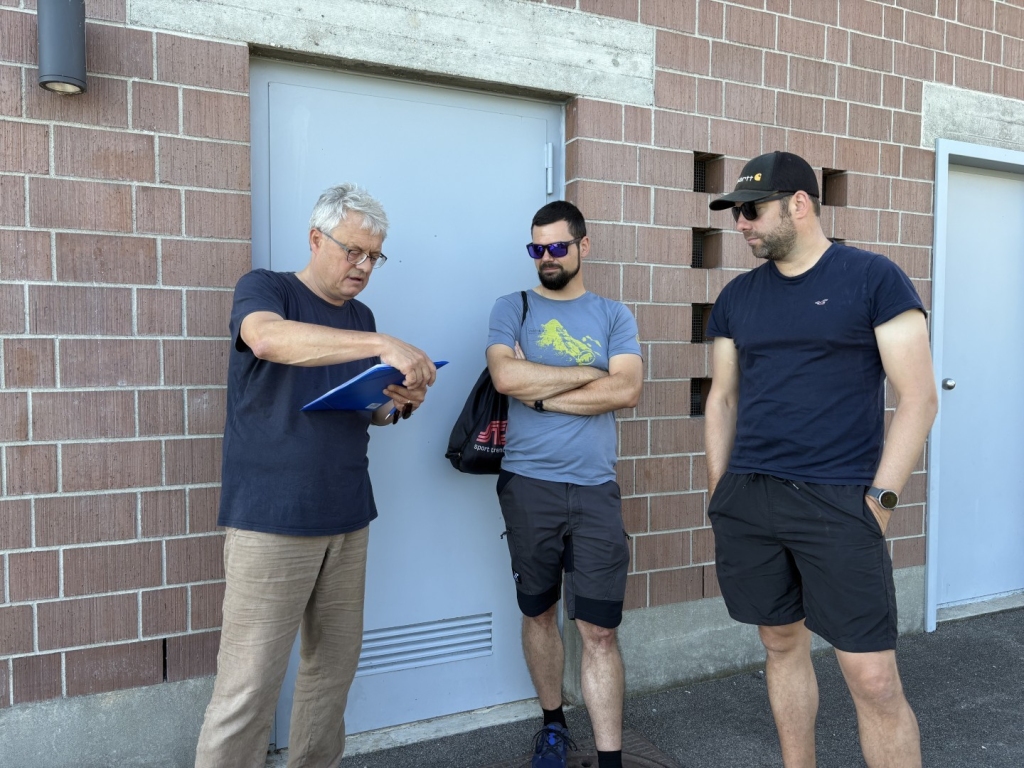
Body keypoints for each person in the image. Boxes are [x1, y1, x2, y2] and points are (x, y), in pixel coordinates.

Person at [703, 151, 938, 768]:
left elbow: (919, 398)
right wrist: (721, 492)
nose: (741, 224)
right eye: (735, 214)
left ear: (799, 204)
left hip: (839, 502)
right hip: (751, 498)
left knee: (873, 678)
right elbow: (722, 398)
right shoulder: (736, 297)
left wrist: (879, 504)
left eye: (752, 211)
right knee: (781, 644)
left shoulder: (873, 279)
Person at [194, 184, 436, 768]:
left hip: (347, 513)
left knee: (332, 673)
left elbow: (364, 410)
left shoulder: (360, 316)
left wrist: (398, 403)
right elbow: (266, 338)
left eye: (374, 256)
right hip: (272, 518)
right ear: (315, 239)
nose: (364, 266)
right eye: (353, 251)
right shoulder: (267, 288)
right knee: (248, 685)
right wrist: (381, 343)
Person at [486, 201, 644, 768]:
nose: (546, 257)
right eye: (537, 248)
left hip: (595, 489)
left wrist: (541, 394)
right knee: (538, 612)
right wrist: (589, 374)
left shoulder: (613, 315)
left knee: (599, 630)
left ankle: (609, 758)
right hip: (529, 485)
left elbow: (626, 390)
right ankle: (553, 725)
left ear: (583, 245)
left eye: (557, 246)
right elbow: (505, 375)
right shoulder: (513, 307)